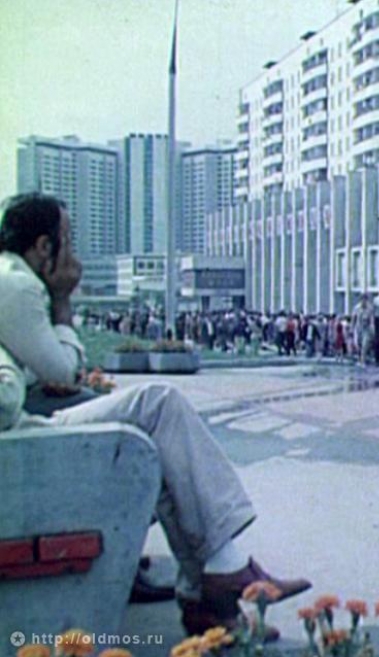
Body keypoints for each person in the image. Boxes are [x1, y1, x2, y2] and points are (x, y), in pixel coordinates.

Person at [0, 193, 312, 635]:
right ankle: (224, 572)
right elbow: (65, 371)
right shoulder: (18, 283)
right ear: (43, 247)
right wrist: (63, 301)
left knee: (159, 448)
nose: (74, 254)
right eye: (67, 241)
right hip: (24, 442)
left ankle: (210, 595)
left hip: (17, 438)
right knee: (160, 404)